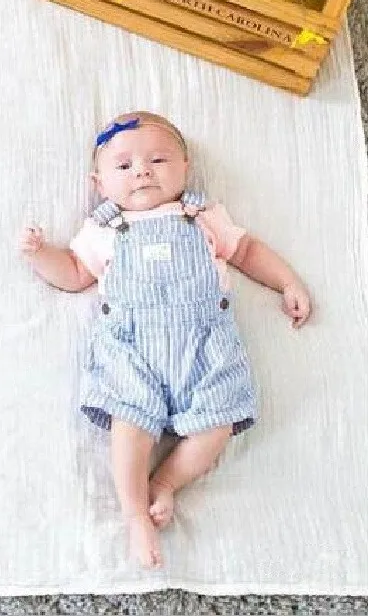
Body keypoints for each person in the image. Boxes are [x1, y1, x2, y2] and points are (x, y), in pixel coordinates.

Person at [19, 111, 312, 568]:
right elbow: (75, 274)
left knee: (219, 424)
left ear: (185, 167)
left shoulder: (202, 215)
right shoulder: (103, 229)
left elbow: (247, 251)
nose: (142, 171)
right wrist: (41, 255)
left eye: (157, 160)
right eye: (124, 165)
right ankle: (135, 512)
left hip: (206, 345)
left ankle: (166, 482)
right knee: (129, 423)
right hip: (132, 349)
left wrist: (287, 281)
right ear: (98, 183)